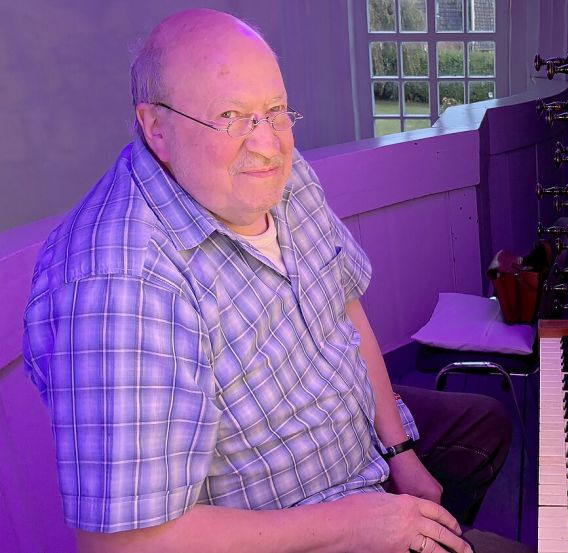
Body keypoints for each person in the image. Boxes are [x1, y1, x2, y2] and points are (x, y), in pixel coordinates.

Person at [22, 9, 530, 553]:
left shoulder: (275, 173)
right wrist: (360, 525)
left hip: (355, 443)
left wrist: (398, 452)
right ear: (157, 128)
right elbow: (124, 546)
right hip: (303, 524)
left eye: (275, 110)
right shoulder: (118, 283)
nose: (267, 145)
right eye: (230, 116)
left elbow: (344, 306)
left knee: (486, 424)